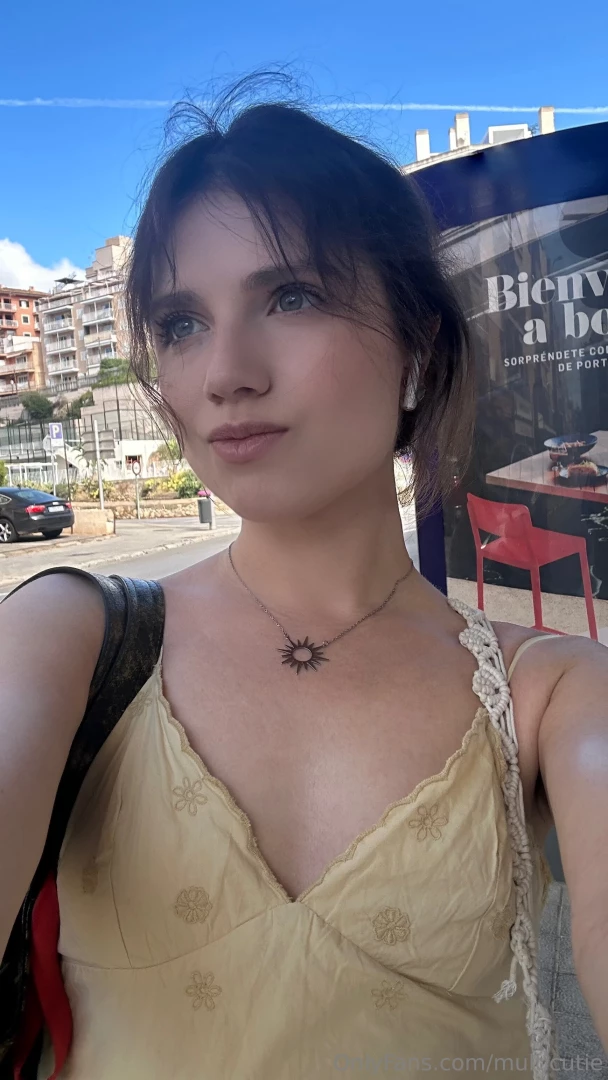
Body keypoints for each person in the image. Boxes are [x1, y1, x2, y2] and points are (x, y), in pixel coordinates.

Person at [1, 89, 607, 1080]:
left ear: (417, 343)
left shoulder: (549, 692)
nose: (224, 373)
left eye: (290, 297)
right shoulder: (66, 637)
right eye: (182, 323)